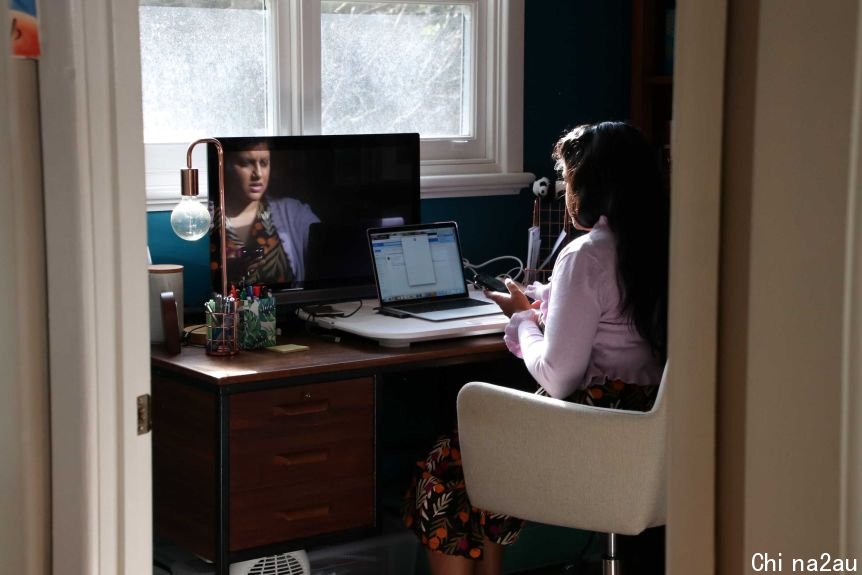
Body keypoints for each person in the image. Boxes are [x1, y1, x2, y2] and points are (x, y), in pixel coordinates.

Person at [402, 121, 669, 575]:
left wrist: (523, 319)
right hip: (652, 441)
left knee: (445, 467)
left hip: (594, 437)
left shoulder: (584, 255)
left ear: (589, 186)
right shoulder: (665, 245)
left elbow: (559, 377)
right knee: (476, 461)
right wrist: (550, 300)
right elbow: (616, 317)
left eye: (569, 181)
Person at [212, 139, 320, 289]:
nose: (258, 174)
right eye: (246, 163)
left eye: (264, 163)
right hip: (229, 312)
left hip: (288, 310)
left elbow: (330, 255)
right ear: (225, 166)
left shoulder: (293, 213)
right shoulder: (206, 219)